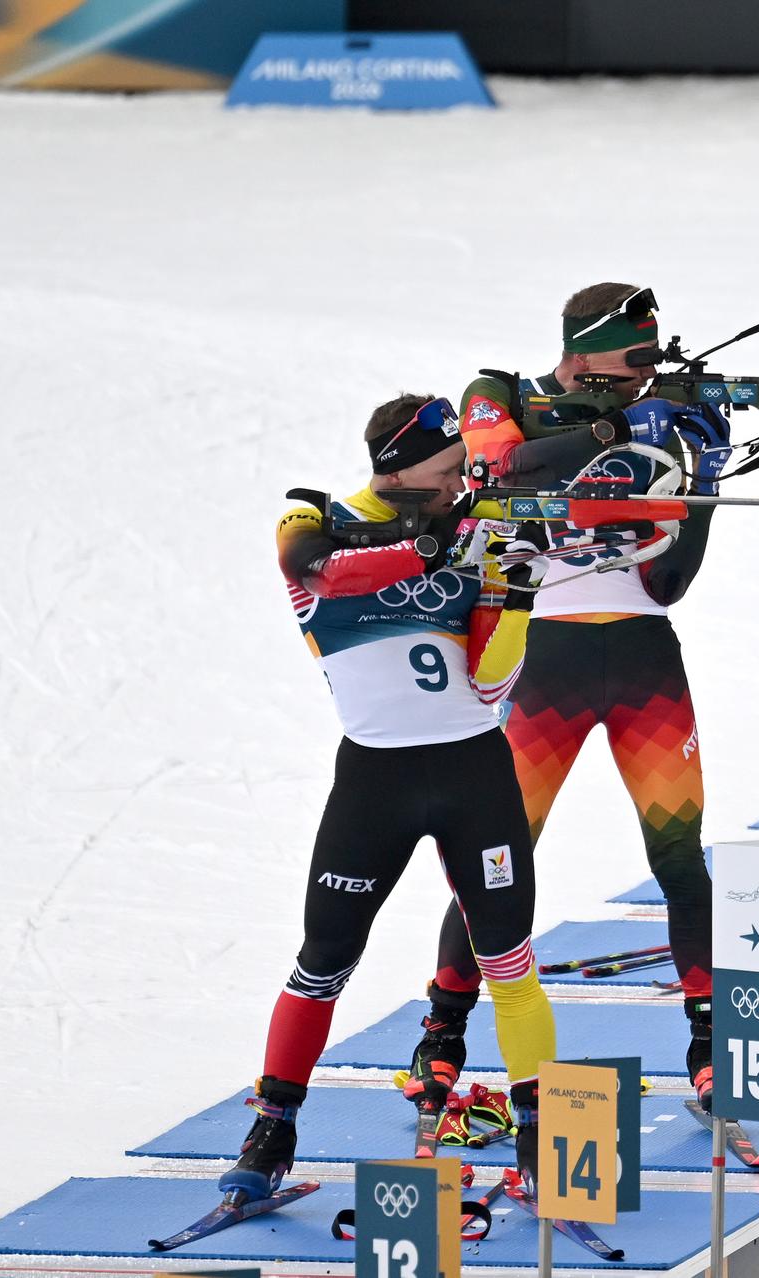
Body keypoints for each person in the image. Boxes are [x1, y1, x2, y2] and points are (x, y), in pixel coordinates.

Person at [399, 283, 728, 1111]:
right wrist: (613, 432)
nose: (640, 381)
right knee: (498, 865)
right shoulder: (500, 395)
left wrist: (707, 475)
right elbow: (499, 467)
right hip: (543, 659)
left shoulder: (659, 417)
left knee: (680, 860)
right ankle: (442, 1034)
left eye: (651, 366)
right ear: (580, 352)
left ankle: (708, 1042)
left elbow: (670, 579)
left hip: (645, 658)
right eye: (628, 364)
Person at [224, 393, 556, 1199]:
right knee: (323, 962)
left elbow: (489, 685)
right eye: (446, 473)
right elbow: (318, 571)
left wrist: (515, 591)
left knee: (508, 961)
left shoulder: (473, 527)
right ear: (400, 469)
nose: (458, 486)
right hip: (374, 781)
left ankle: (544, 1135)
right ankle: (272, 1129)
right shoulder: (314, 521)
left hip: (473, 771)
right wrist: (436, 546)